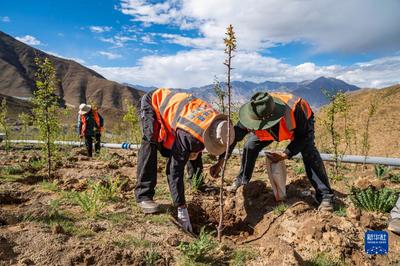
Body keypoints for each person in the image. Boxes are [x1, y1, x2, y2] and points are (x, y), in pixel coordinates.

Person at [210, 92, 334, 211]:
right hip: (273, 129)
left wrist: (285, 153)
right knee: (250, 146)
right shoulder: (251, 114)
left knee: (309, 151)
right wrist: (221, 161)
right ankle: (242, 181)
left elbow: (304, 138)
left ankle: (325, 196)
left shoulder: (295, 109)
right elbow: (233, 137)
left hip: (300, 126)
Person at [135, 88, 234, 232]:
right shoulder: (190, 134)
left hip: (183, 116)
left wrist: (220, 163)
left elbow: (230, 141)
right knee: (151, 140)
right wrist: (181, 207)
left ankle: (197, 182)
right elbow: (173, 170)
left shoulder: (223, 125)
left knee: (195, 145)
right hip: (154, 102)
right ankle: (144, 195)